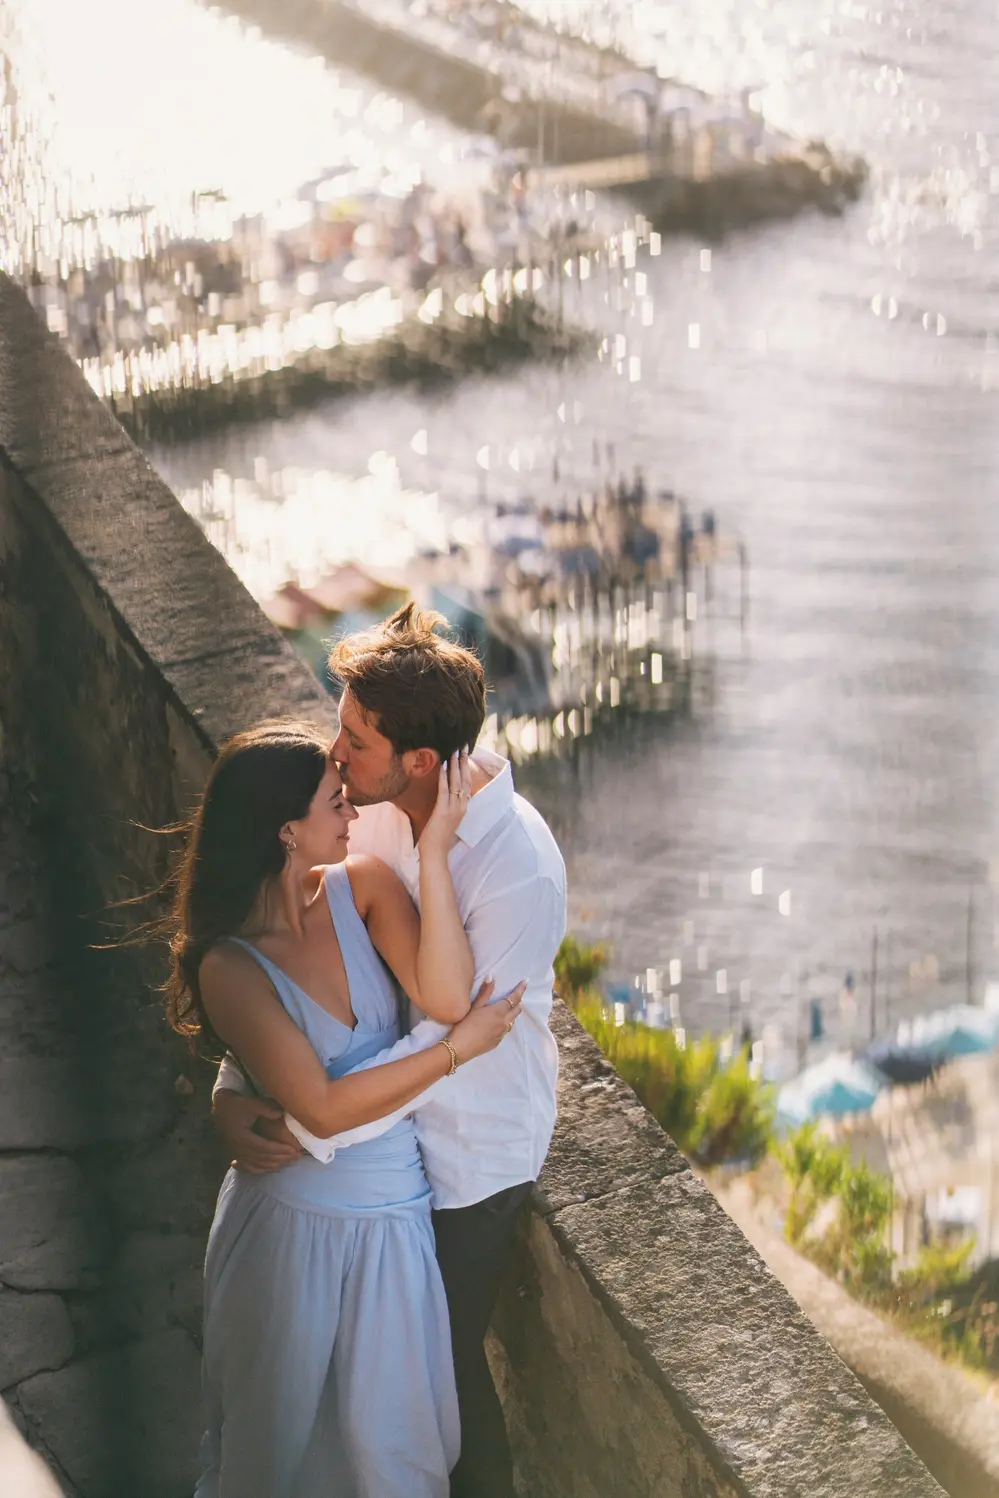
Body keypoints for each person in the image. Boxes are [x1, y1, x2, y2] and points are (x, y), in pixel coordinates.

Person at [214, 606, 567, 1498]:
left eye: (355, 741)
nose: (333, 755)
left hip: (469, 1152)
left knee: (437, 1381)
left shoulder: (517, 867)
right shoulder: (360, 817)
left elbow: (457, 1031)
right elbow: (292, 965)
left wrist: (310, 1119)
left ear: (418, 760)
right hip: (377, 1149)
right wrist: (236, 1082)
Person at [166, 720, 525, 1498]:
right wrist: (458, 1051)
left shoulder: (363, 885)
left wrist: (433, 853)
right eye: (335, 801)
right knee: (271, 1456)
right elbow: (322, 1109)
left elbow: (444, 996)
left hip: (393, 1220)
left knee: (396, 1457)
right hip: (288, 1234)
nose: (353, 811)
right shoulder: (230, 964)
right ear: (286, 831)